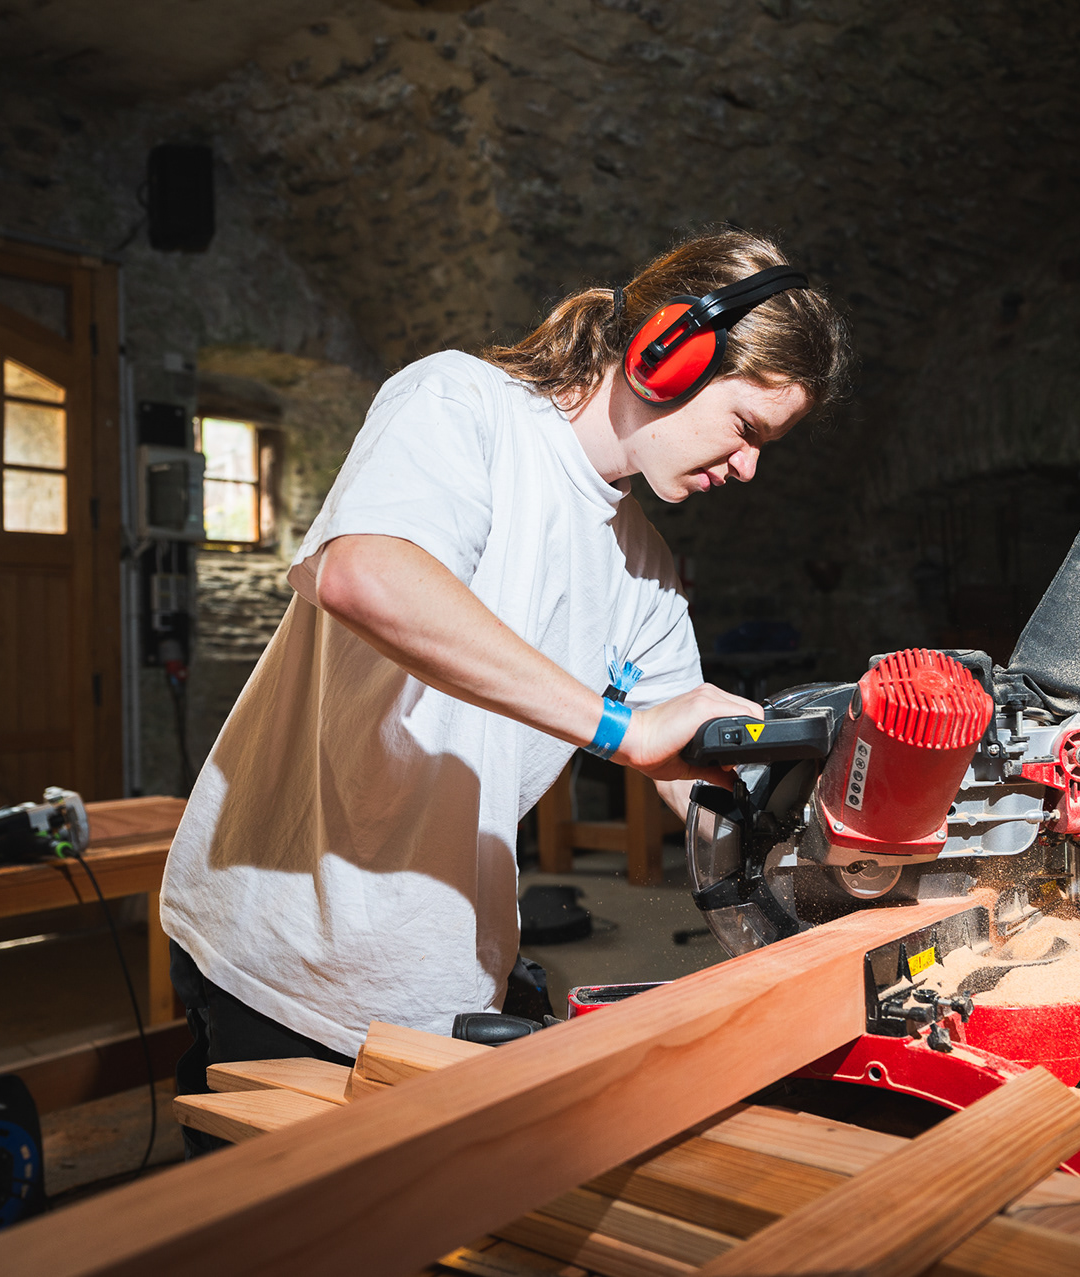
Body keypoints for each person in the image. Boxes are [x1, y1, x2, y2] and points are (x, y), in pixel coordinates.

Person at [158, 230, 852, 1151]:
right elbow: (366, 574)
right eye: (747, 428)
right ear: (669, 352)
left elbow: (697, 772)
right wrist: (620, 726)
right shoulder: (462, 406)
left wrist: (831, 853)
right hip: (288, 947)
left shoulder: (643, 569)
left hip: (445, 964)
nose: (749, 467)